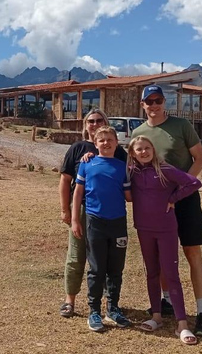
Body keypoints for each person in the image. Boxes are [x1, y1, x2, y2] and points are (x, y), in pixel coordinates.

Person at [131, 84, 202, 337]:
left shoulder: (182, 126)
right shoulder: (139, 132)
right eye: (149, 101)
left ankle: (201, 312)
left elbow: (200, 158)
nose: (154, 105)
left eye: (158, 100)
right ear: (142, 104)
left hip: (184, 201)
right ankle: (165, 302)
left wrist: (180, 192)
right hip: (157, 205)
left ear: (164, 102)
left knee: (192, 252)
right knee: (160, 256)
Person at [129, 135, 202, 346]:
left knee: (171, 274)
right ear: (133, 153)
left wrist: (173, 199)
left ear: (153, 150)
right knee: (151, 272)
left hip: (166, 229)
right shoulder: (131, 172)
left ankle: (182, 323)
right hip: (143, 229)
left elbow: (194, 182)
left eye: (147, 148)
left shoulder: (164, 169)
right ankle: (157, 317)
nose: (144, 152)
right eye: (139, 149)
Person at [58, 109, 128, 319]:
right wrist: (66, 210)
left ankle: (109, 304)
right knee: (77, 256)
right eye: (91, 121)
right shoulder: (78, 148)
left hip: (109, 213)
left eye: (99, 121)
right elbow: (65, 181)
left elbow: (129, 175)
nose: (95, 124)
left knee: (106, 259)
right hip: (83, 210)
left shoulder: (117, 152)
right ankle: (70, 301)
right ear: (85, 125)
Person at [71, 126, 131, 332]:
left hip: (118, 223)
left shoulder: (123, 167)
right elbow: (78, 193)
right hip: (94, 221)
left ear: (117, 142)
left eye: (109, 139)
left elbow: (130, 196)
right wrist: (74, 220)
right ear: (95, 144)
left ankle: (113, 309)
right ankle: (94, 311)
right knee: (96, 269)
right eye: (101, 140)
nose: (106, 143)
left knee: (116, 268)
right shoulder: (87, 164)